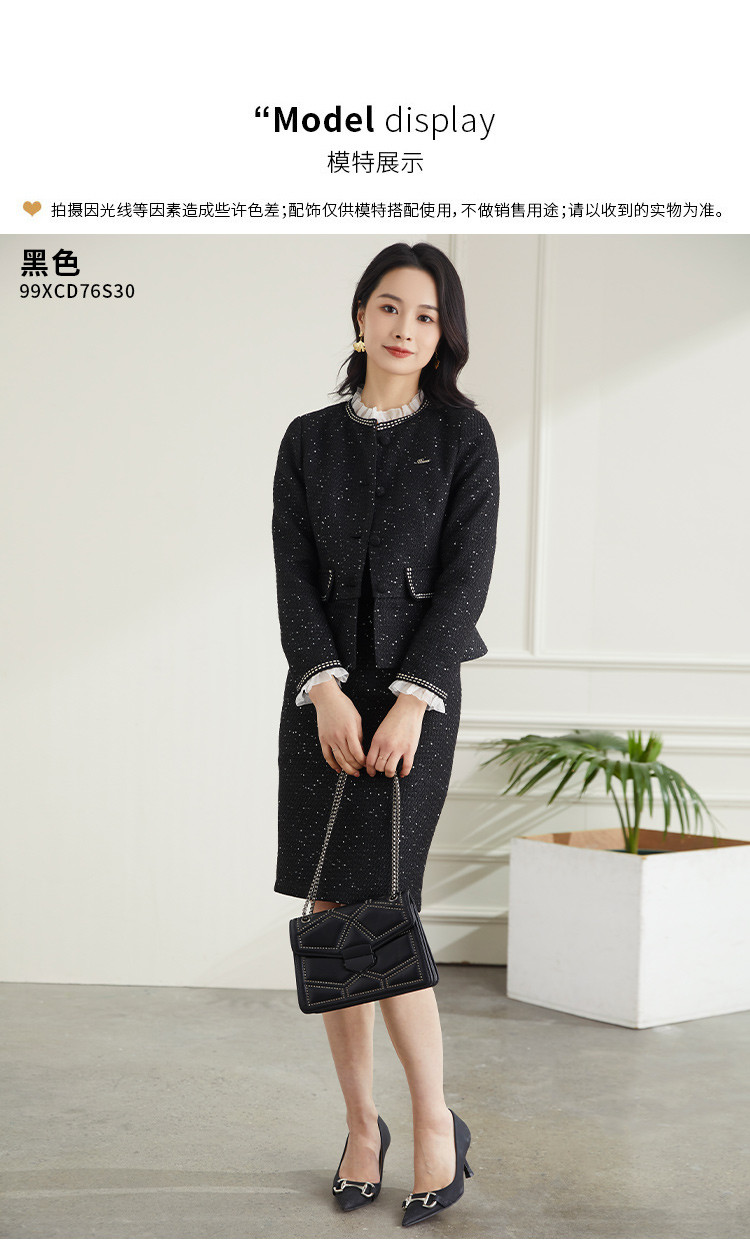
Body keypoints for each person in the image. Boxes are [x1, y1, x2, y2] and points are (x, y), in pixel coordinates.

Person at [271, 241, 499, 1226]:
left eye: (428, 315)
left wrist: (413, 697)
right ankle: (363, 1126)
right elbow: (291, 575)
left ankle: (436, 1123)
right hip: (323, 701)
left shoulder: (464, 436)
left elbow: (467, 577)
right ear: (361, 315)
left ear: (445, 333)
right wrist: (323, 689)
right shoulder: (307, 439)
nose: (407, 327)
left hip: (417, 702)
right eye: (391, 306)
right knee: (333, 909)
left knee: (387, 906)